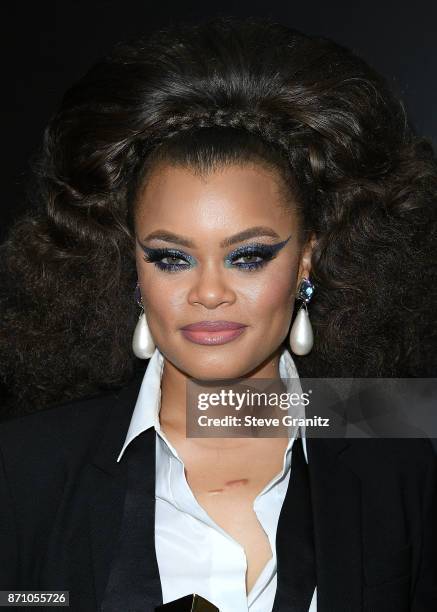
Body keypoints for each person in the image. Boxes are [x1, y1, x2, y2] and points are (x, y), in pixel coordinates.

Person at [0, 15, 436, 612]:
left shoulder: (402, 443)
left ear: (307, 260)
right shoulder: (25, 467)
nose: (209, 293)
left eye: (248, 256)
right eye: (172, 257)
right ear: (132, 266)